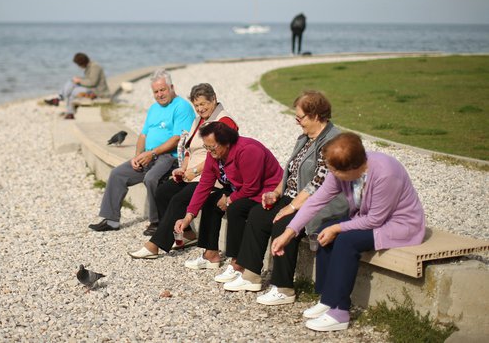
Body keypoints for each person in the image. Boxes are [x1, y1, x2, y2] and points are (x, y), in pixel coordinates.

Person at [271, 132, 426, 332]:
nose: (331, 174)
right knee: (322, 231)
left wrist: (337, 228)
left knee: (345, 240)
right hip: (367, 218)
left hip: (398, 225)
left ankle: (340, 312)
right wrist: (288, 232)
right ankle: (328, 299)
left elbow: (375, 220)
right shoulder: (342, 169)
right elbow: (315, 201)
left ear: (353, 168)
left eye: (335, 171)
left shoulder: (386, 172)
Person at [223, 91, 348, 303]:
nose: (297, 121)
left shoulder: (333, 140)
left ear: (316, 115)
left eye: (300, 117)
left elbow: (318, 182)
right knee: (257, 214)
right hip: (293, 198)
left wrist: (290, 208)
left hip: (320, 204)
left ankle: (284, 288)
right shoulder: (305, 138)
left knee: (284, 223)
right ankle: (251, 275)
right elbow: (290, 171)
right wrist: (276, 194)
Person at [128, 83, 238, 259]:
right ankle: (186, 234)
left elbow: (219, 155)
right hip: (193, 173)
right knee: (163, 191)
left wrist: (194, 171)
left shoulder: (225, 121)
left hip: (214, 177)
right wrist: (184, 168)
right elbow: (189, 149)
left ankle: (155, 245)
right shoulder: (199, 120)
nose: (200, 109)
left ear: (214, 99)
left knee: (179, 199)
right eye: (196, 106)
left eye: (203, 104)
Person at [89, 69, 195, 234]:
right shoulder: (153, 108)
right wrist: (138, 156)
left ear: (172, 87)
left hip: (170, 157)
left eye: (163, 90)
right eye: (156, 91)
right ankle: (111, 220)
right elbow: (143, 135)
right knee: (118, 173)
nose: (160, 94)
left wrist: (152, 153)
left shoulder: (182, 107)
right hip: (149, 155)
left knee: (151, 178)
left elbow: (177, 139)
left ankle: (157, 222)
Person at [173, 122, 283, 276]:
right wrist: (188, 215)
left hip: (265, 191)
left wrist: (230, 200)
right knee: (211, 201)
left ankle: (237, 263)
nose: (210, 151)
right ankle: (211, 254)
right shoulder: (214, 155)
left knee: (236, 209)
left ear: (227, 142)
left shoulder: (248, 150)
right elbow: (204, 184)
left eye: (213, 147)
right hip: (239, 188)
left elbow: (252, 187)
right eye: (207, 147)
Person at [45, 52, 110, 119]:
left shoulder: (95, 67)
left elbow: (92, 82)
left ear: (82, 63)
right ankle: (61, 102)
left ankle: (65, 106)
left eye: (78, 65)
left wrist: (79, 81)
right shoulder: (90, 66)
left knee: (73, 91)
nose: (79, 67)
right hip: (92, 88)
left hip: (98, 92)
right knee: (71, 82)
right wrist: (78, 79)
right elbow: (89, 80)